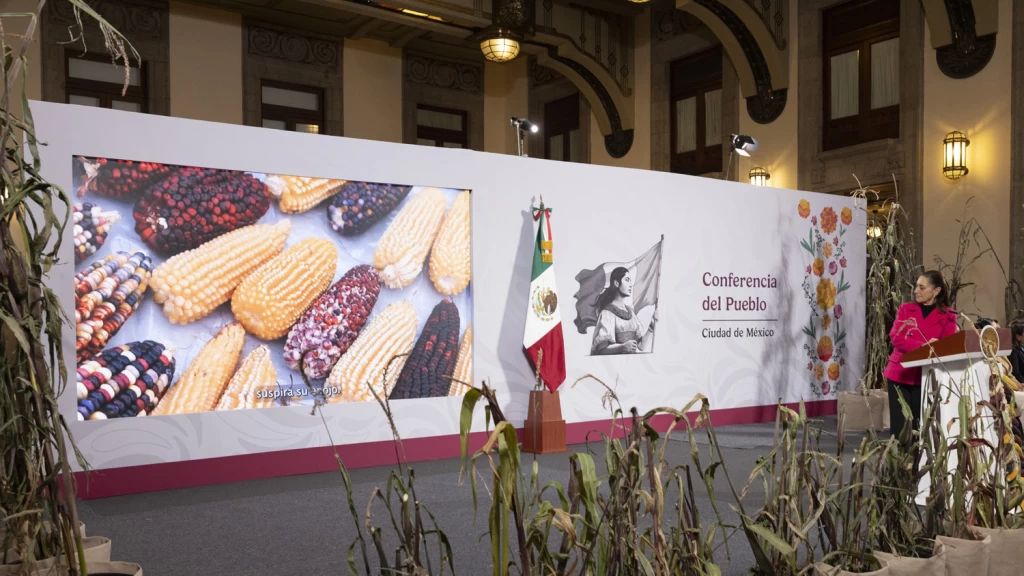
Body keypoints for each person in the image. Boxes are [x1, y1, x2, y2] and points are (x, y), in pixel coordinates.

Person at [883, 270, 959, 440]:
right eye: (916, 286)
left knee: (919, 428)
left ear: (936, 291)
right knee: (899, 428)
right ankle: (898, 464)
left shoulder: (949, 315)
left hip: (925, 378)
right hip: (899, 373)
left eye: (921, 287)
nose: (916, 290)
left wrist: (931, 348)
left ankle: (915, 465)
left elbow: (946, 347)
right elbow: (896, 337)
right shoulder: (905, 309)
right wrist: (923, 347)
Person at [591, 266, 657, 355]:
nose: (630, 284)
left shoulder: (630, 312)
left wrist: (651, 327)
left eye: (630, 280)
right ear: (616, 283)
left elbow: (641, 346)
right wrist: (622, 347)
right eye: (627, 280)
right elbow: (602, 349)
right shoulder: (607, 313)